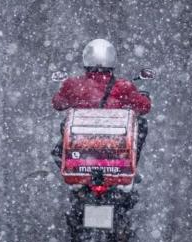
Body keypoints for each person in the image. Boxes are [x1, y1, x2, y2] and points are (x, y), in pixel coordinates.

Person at [51, 38, 152, 168]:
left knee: (64, 126)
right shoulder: (124, 87)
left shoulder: (74, 85)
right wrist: (145, 98)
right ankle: (130, 165)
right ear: (112, 58)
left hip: (82, 143)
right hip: (114, 143)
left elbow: (57, 104)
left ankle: (72, 165)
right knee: (141, 124)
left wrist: (65, 90)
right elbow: (144, 107)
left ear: (86, 58)